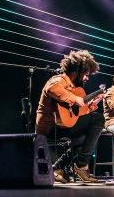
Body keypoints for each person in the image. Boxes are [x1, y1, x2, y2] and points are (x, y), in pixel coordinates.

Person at [35, 50, 105, 183]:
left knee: (86, 136)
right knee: (98, 119)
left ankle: (58, 168)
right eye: (86, 74)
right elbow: (52, 88)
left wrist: (89, 107)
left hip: (62, 126)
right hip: (50, 129)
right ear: (76, 72)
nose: (87, 78)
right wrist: (74, 99)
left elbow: (73, 115)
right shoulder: (60, 79)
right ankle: (81, 165)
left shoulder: (74, 88)